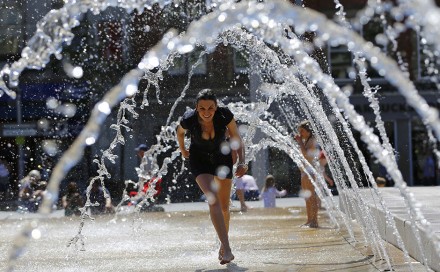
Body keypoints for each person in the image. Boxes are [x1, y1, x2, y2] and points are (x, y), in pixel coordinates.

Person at [176, 88, 247, 265]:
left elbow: (236, 137)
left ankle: (223, 248)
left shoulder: (224, 116)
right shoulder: (189, 119)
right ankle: (227, 248)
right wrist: (183, 149)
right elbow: (179, 132)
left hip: (222, 158)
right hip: (199, 160)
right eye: (202, 108)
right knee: (213, 200)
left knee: (224, 207)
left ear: (216, 107)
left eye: (210, 108)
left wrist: (242, 162)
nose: (206, 112)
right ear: (196, 108)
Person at [294, 120, 320, 228]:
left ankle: (314, 221)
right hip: (304, 172)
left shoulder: (312, 141)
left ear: (309, 131)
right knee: (307, 197)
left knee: (311, 197)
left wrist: (299, 142)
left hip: (310, 172)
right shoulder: (307, 141)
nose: (300, 133)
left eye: (302, 131)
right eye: (299, 131)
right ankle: (309, 220)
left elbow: (306, 154)